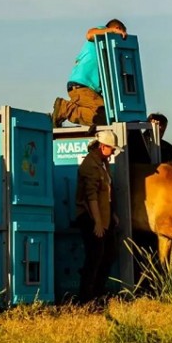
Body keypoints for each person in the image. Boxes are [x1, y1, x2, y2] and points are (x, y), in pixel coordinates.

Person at [52, 19, 128, 128]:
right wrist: (112, 31)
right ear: (117, 29)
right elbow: (89, 34)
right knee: (104, 116)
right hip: (82, 85)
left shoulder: (106, 49)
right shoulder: (103, 32)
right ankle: (65, 109)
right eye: (121, 34)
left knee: (110, 116)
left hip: (88, 88)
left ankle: (66, 110)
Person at [75, 129, 121, 305]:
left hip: (103, 215)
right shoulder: (90, 166)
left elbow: (105, 194)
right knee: (95, 256)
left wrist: (112, 214)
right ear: (103, 147)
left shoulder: (102, 163)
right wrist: (98, 223)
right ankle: (86, 298)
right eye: (112, 148)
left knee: (108, 254)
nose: (114, 152)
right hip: (90, 217)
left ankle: (98, 292)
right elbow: (91, 197)